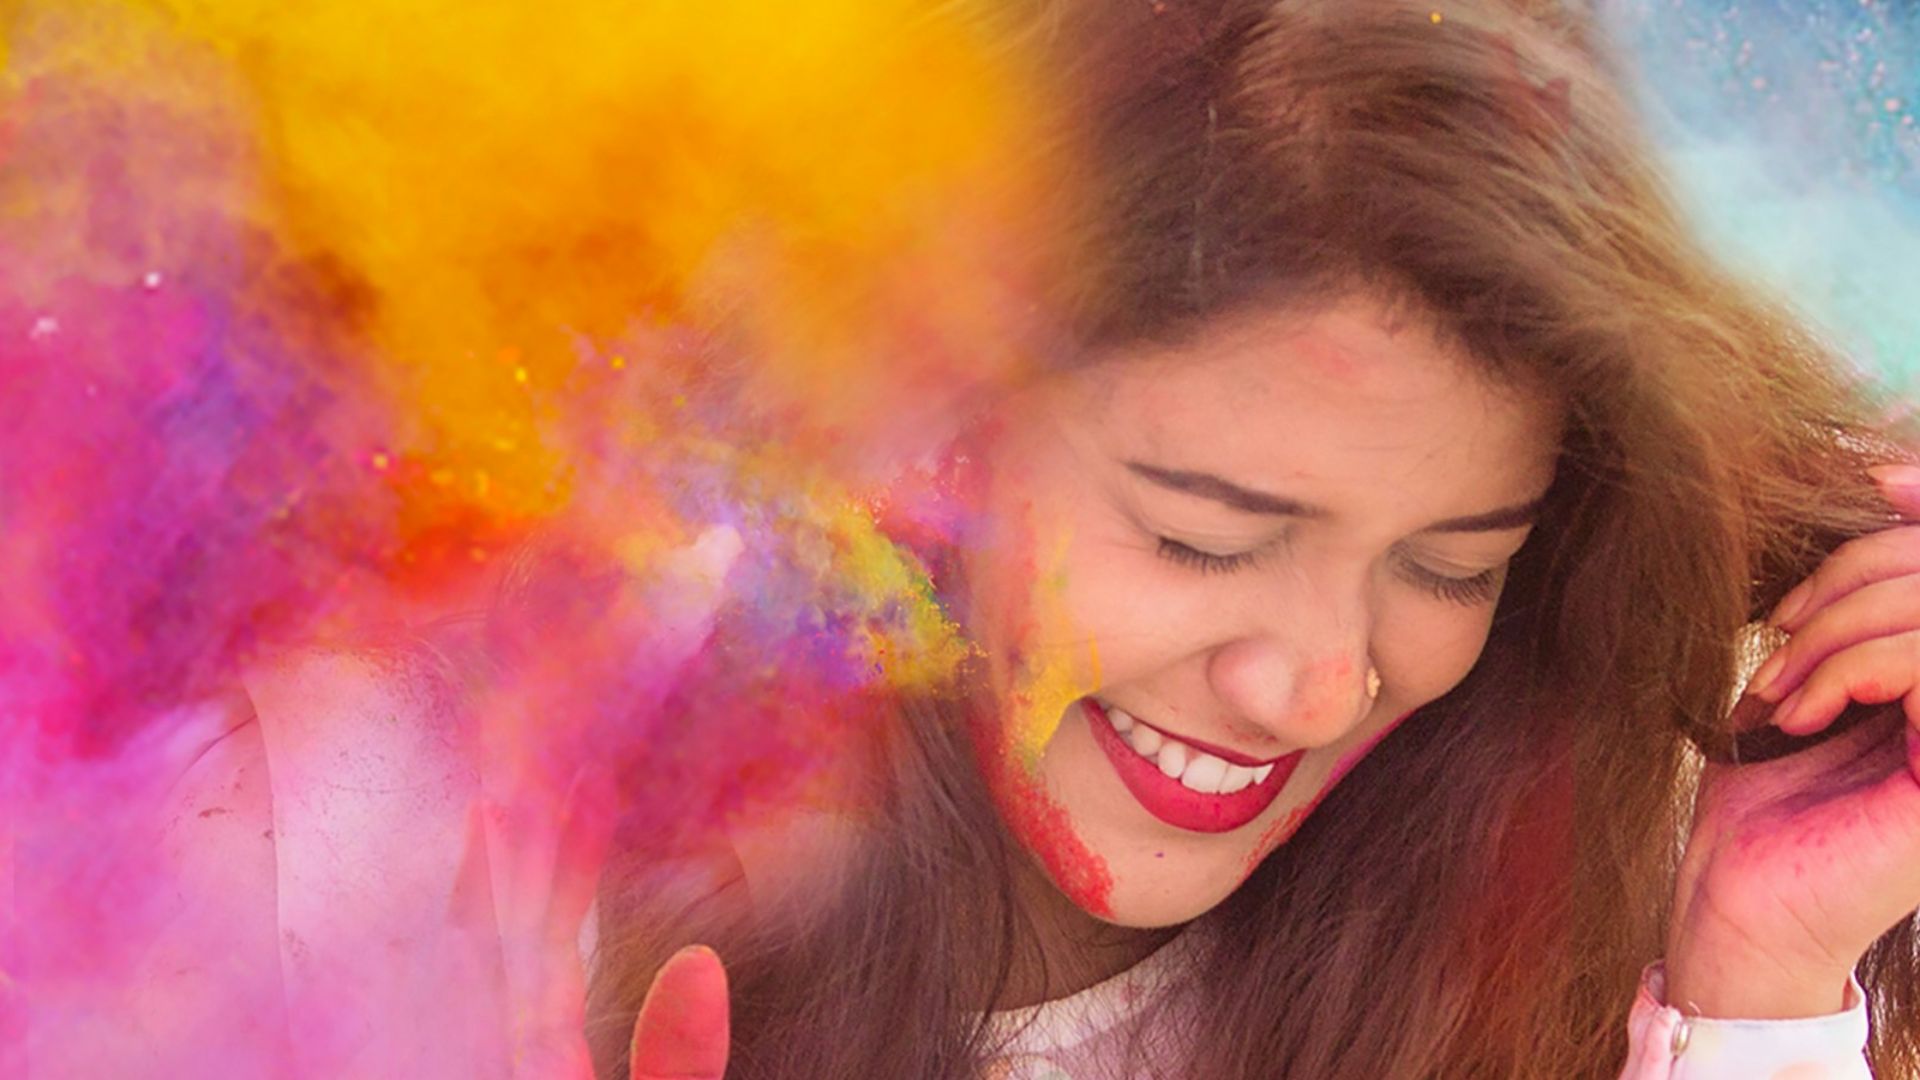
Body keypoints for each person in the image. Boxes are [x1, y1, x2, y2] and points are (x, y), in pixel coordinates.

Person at [136, 1, 1920, 1078]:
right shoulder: (352, 842)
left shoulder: (1549, 876)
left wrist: (1758, 987)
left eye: (1450, 564)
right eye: (1208, 536)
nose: (1313, 679)